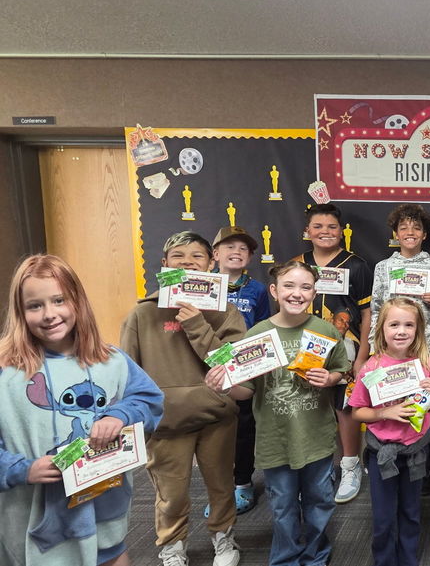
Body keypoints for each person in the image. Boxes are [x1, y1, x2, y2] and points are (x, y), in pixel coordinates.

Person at [0, 254, 164, 566]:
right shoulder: (5, 372)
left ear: (77, 301)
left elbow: (150, 401)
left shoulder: (111, 360)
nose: (50, 314)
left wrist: (121, 414)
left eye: (59, 300)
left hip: (101, 513)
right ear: (20, 311)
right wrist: (22, 469)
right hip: (31, 528)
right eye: (35, 305)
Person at [204, 261, 349, 566]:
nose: (297, 294)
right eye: (289, 286)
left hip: (317, 437)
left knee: (320, 500)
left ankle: (315, 555)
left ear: (314, 292)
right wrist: (225, 386)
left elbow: (342, 370)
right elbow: (248, 391)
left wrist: (332, 378)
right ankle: (285, 558)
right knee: (282, 504)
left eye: (306, 287)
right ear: (274, 290)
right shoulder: (257, 334)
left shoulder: (326, 330)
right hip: (275, 439)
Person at [119, 232, 246, 566]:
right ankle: (172, 545)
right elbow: (127, 372)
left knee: (221, 486)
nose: (188, 262)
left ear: (211, 263)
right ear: (164, 264)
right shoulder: (142, 314)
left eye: (197, 256)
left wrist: (197, 325)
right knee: (170, 494)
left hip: (216, 417)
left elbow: (235, 367)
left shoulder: (225, 310)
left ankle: (224, 536)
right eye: (178, 256)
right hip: (165, 423)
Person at [350, 297, 430, 566]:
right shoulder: (372, 368)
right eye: (394, 324)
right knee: (382, 517)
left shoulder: (425, 363)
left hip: (416, 451)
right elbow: (357, 411)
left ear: (418, 329)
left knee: (411, 511)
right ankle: (384, 560)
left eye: (408, 325)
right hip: (382, 453)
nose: (401, 331)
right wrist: (384, 413)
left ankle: (408, 559)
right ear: (381, 329)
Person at [368, 204, 430, 495]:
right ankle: (390, 462)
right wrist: (372, 348)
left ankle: (425, 467)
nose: (410, 232)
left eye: (416, 228)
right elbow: (377, 308)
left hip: (427, 348)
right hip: (391, 351)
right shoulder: (384, 267)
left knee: (426, 407)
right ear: (395, 233)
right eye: (404, 228)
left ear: (424, 233)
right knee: (391, 405)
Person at [293, 203, 373, 504]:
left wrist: (363, 354)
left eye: (331, 227)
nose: (325, 232)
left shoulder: (356, 265)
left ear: (341, 232)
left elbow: (367, 313)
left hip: (346, 346)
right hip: (307, 346)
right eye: (318, 226)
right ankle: (319, 468)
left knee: (345, 406)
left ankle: (350, 465)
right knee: (311, 405)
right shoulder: (297, 265)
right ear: (307, 231)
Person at [210, 226, 271, 516]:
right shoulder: (202, 284)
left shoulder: (257, 289)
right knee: (214, 430)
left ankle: (243, 483)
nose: (236, 252)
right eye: (229, 246)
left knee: (244, 430)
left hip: (244, 367)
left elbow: (263, 328)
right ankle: (219, 490)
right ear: (215, 254)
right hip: (208, 366)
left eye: (243, 248)